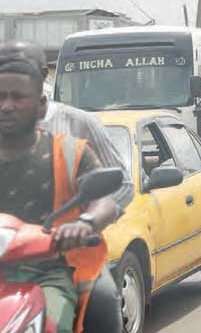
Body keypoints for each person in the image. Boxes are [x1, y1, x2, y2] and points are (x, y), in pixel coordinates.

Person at [0, 41, 130, 333]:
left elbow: (105, 201)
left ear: (41, 104)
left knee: (101, 299)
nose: (7, 106)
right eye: (0, 97)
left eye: (17, 98)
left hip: (53, 269)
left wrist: (86, 223)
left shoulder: (71, 152)